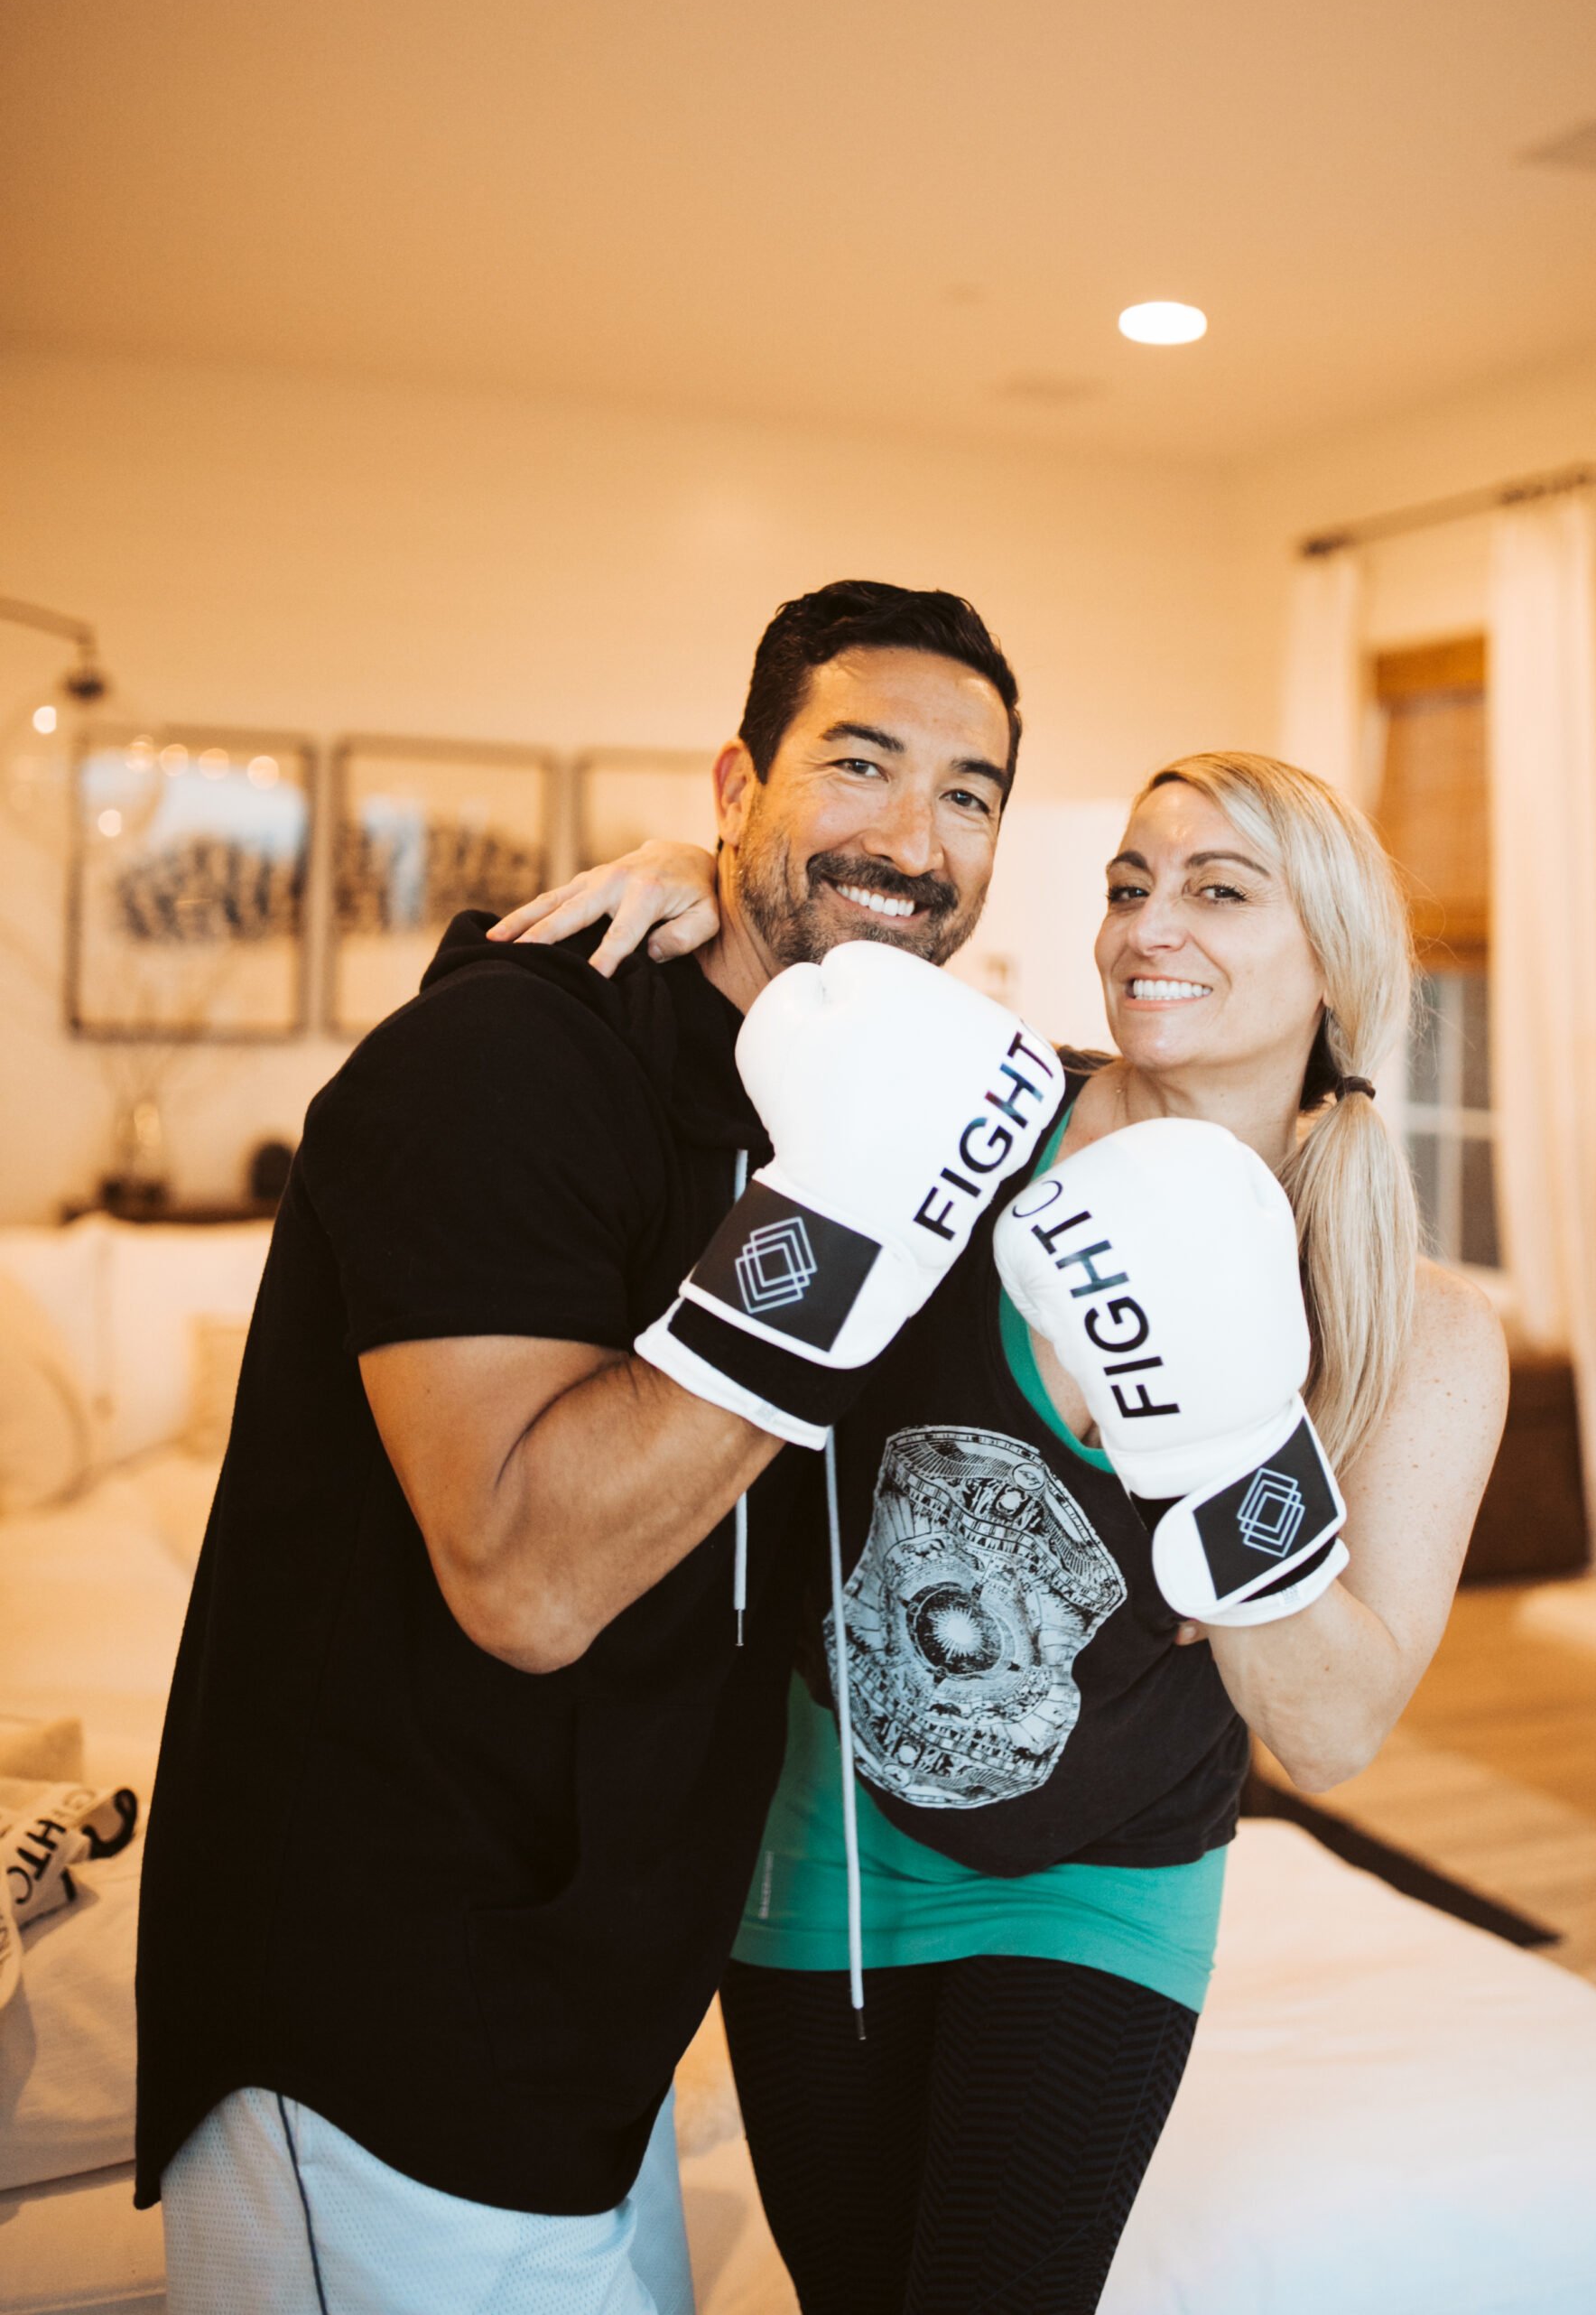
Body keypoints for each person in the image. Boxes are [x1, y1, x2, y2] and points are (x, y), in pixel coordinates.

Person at [137, 579, 1061, 2315]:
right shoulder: (499, 1058)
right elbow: (529, 1578)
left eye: (968, 793)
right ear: (736, 789)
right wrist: (850, 1213)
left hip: (606, 2017)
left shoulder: (849, 1092)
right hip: (377, 2009)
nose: (913, 837)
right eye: (856, 766)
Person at [499, 748, 1508, 2315]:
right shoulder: (960, 1115)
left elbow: (1333, 1728)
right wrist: (703, 886)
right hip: (818, 1856)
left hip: (1101, 1878)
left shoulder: (1418, 1333)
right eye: (1128, 884)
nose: (1145, 928)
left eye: (1219, 891)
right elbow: (800, 1005)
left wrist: (1229, 1441)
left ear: (1336, 959)